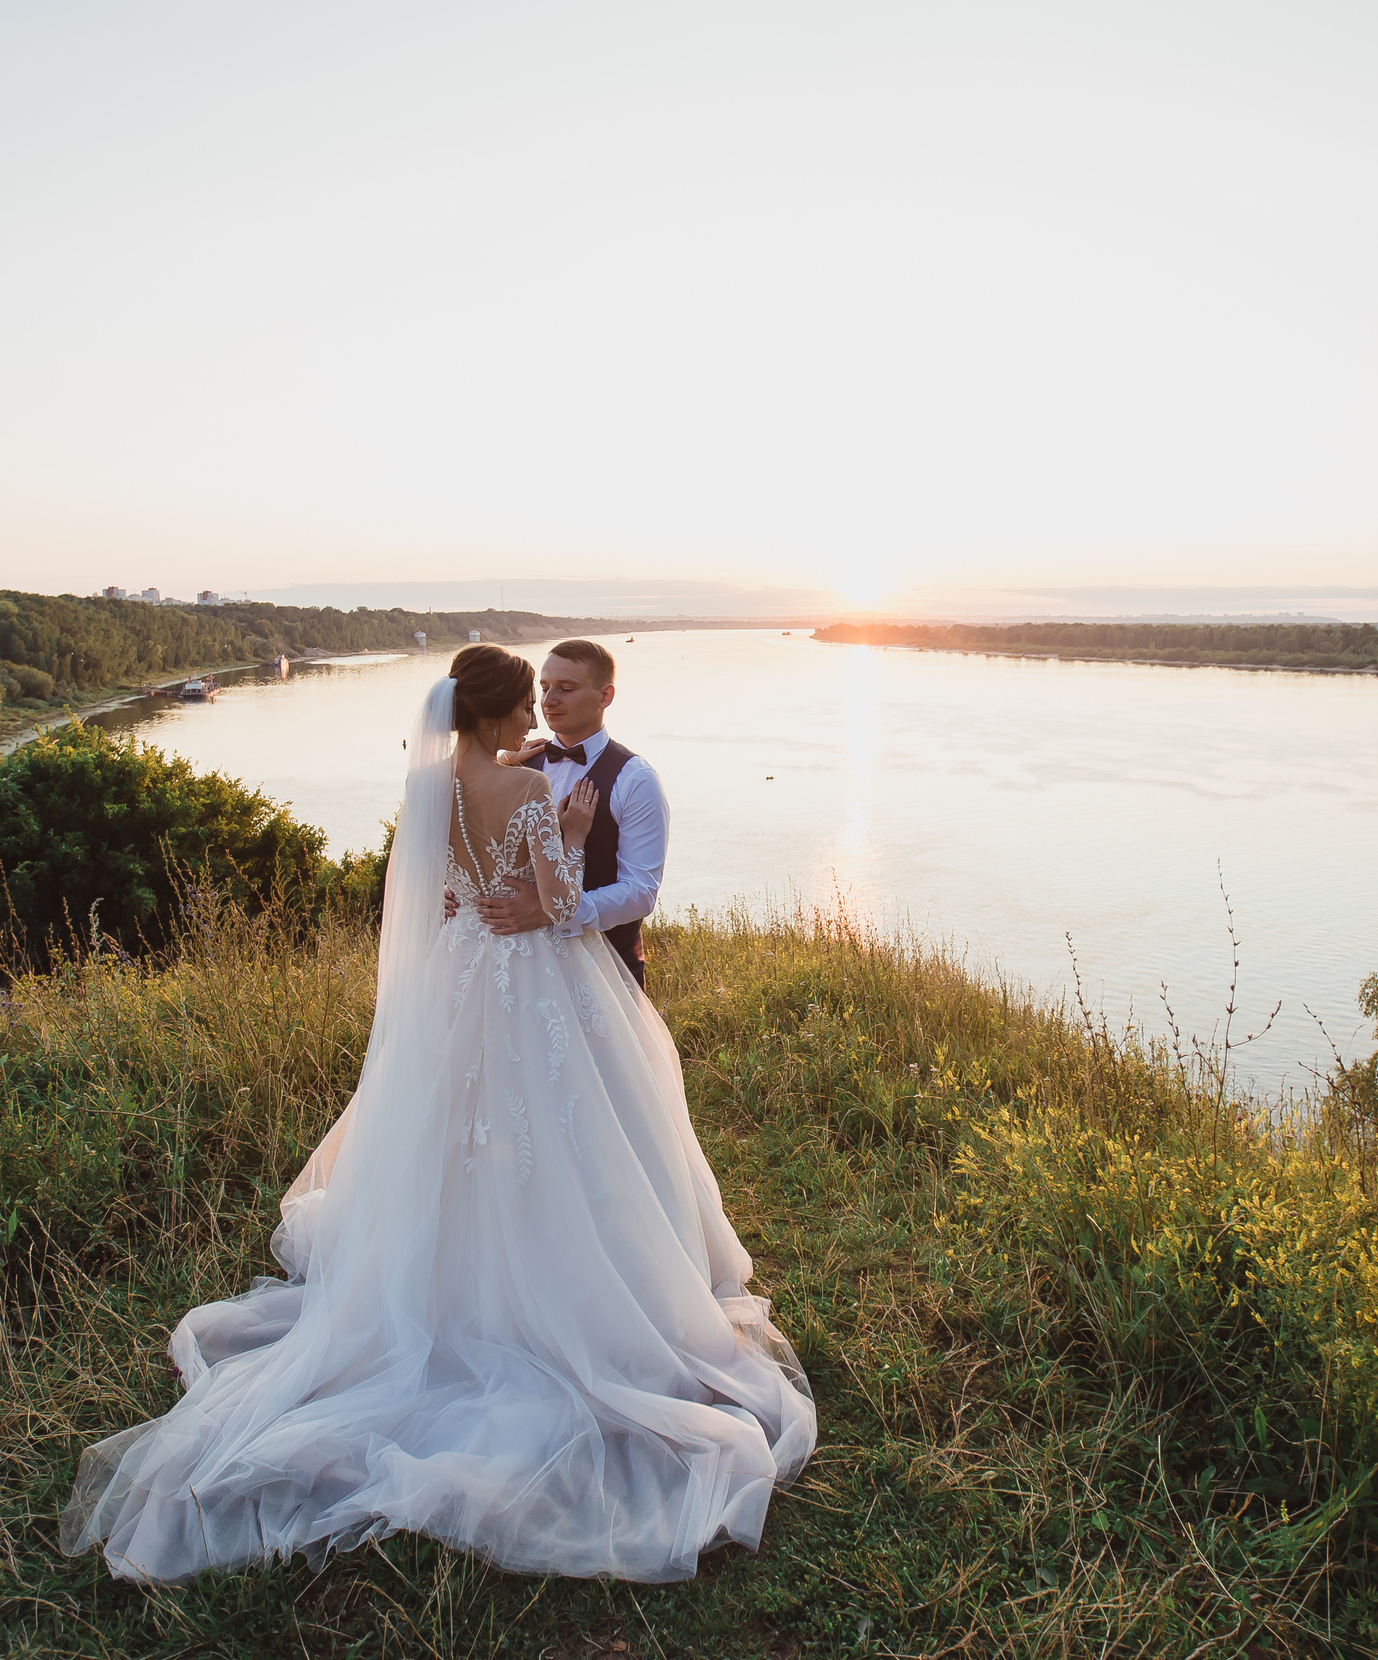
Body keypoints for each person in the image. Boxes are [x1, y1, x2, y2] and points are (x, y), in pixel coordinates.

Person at [60, 645, 815, 1585]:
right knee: (566, 1132)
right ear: (505, 713)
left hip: (458, 977)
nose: (543, 709)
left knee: (455, 1134)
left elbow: (451, 894)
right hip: (532, 978)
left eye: (563, 688)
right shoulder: (533, 791)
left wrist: (511, 882)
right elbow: (559, 902)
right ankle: (565, 1292)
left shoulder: (427, 788)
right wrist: (571, 836)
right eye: (532, 697)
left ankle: (449, 1275)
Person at [456, 638, 669, 989]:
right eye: (544, 687)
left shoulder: (636, 780)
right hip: (514, 971)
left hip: (605, 976)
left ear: (605, 696)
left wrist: (553, 912)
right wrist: (455, 891)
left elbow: (640, 891)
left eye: (566, 689)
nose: (549, 701)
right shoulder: (513, 764)